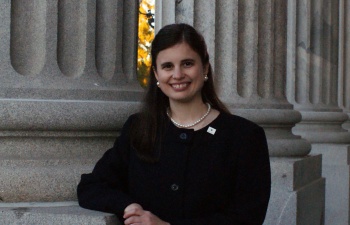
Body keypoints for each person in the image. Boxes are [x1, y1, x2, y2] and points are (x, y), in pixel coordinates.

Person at [77, 23, 271, 225]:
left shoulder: (244, 136)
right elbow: (92, 186)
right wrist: (127, 206)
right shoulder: (139, 128)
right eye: (167, 66)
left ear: (204, 68)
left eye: (187, 64)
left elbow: (248, 218)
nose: (177, 75)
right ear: (156, 75)